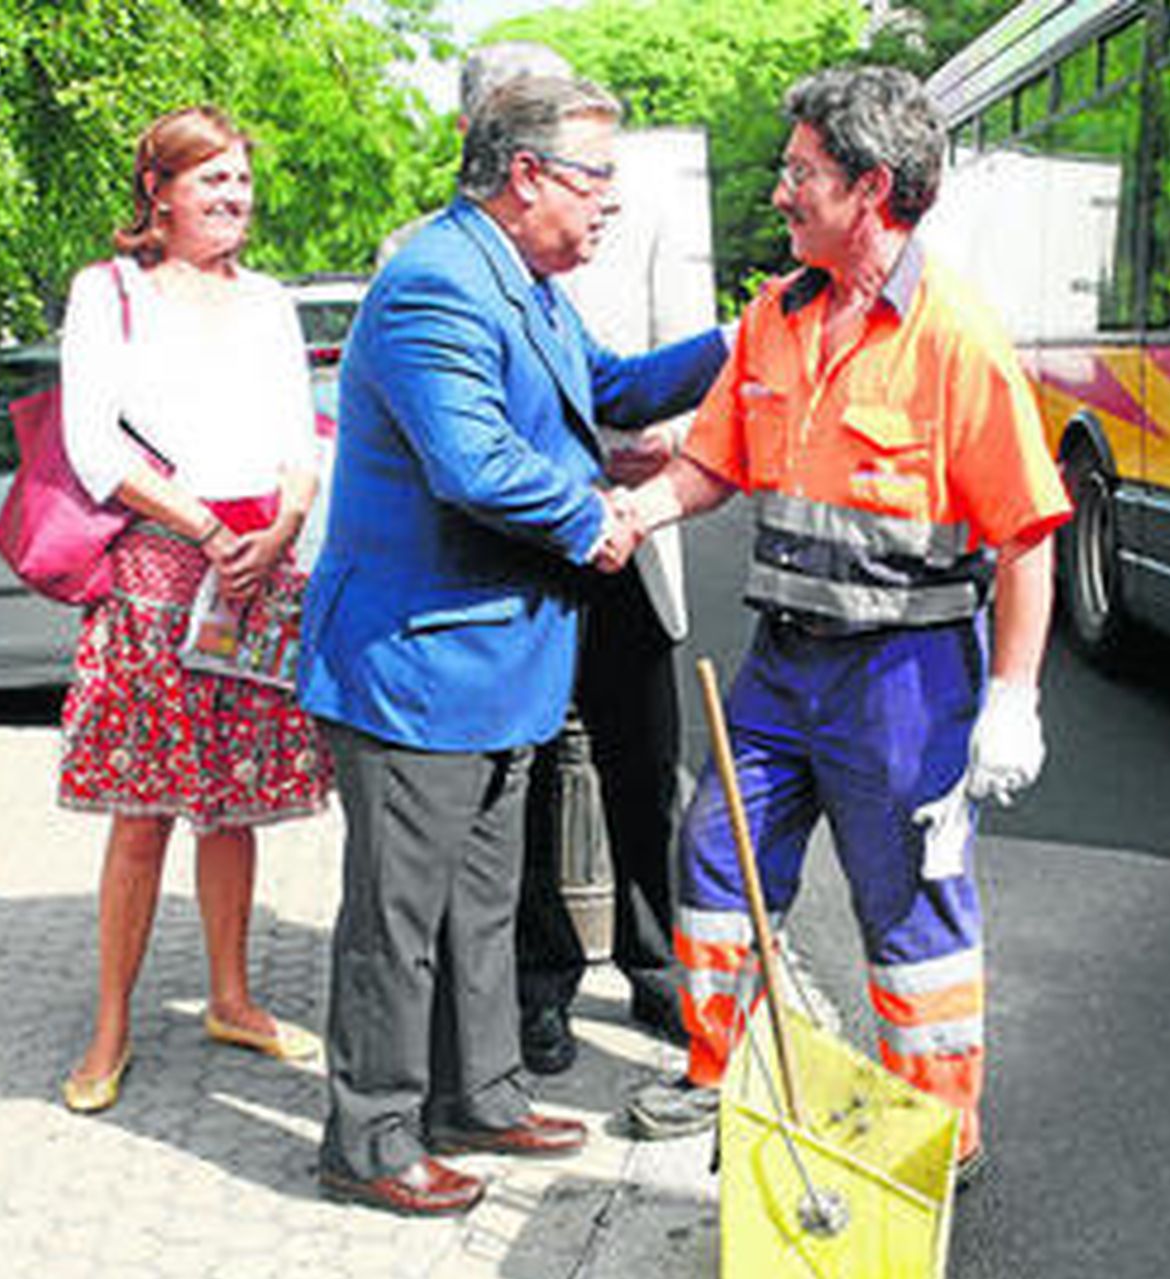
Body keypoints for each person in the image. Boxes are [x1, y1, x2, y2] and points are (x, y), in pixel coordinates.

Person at [612, 67, 1073, 1184]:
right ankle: (722, 1074)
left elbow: (1025, 536)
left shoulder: (955, 339)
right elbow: (712, 464)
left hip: (905, 682)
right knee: (715, 859)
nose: (779, 193)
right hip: (781, 668)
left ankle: (937, 1126)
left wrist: (1011, 700)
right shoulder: (773, 319)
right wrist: (637, 507)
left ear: (871, 189)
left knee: (908, 904)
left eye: (800, 173)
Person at [298, 74, 728, 1218]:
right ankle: (371, 1137)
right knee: (396, 920)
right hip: (416, 664)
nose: (607, 210)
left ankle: (476, 1093)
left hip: (501, 663)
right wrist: (606, 512)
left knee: (481, 902)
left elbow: (613, 389)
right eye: (595, 182)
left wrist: (745, 336)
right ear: (526, 175)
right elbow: (476, 467)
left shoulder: (529, 286)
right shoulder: (435, 284)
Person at [57, 105, 331, 1114]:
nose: (234, 198)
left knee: (236, 804)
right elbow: (96, 448)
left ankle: (231, 996)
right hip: (159, 573)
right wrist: (210, 533)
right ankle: (111, 1024)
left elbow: (301, 436)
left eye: (241, 181)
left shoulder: (267, 301)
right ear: (159, 194)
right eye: (211, 181)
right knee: (144, 812)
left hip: (260, 568)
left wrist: (287, 518)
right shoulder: (109, 292)